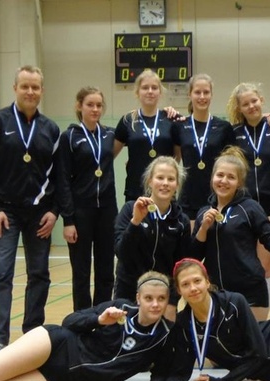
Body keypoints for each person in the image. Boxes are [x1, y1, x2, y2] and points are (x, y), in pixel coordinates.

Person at [0, 272, 183, 381]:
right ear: (138, 298)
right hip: (56, 345)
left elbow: (162, 370)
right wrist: (99, 320)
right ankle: (8, 364)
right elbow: (69, 321)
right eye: (149, 298)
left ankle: (12, 369)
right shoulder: (119, 307)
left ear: (167, 302)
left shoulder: (165, 334)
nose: (155, 304)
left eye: (161, 299)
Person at [0, 65, 64, 359]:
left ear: (42, 91)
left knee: (39, 274)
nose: (30, 92)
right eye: (25, 86)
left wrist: (54, 211)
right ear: (15, 88)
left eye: (35, 87)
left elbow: (58, 176)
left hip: (39, 215)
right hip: (4, 213)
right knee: (0, 274)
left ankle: (32, 334)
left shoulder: (51, 129)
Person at [191, 147, 270, 321]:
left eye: (231, 177)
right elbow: (194, 257)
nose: (224, 181)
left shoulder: (250, 208)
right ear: (212, 178)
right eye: (220, 175)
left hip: (250, 293)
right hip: (215, 294)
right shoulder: (204, 212)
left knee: (253, 338)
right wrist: (203, 228)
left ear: (239, 183)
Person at [227, 82, 270, 305]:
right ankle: (243, 315)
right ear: (239, 108)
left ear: (261, 100)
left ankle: (261, 318)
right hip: (242, 207)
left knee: (265, 267)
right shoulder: (233, 133)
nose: (251, 106)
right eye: (245, 104)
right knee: (242, 267)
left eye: (254, 101)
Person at [58, 86, 118, 311]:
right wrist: (68, 220)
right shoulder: (69, 137)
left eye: (99, 105)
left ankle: (103, 318)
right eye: (90, 104)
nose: (95, 109)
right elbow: (62, 179)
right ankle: (82, 320)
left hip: (107, 212)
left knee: (106, 270)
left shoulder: (110, 134)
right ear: (79, 106)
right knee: (81, 272)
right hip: (81, 212)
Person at [114, 156, 191, 320]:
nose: (165, 183)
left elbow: (180, 266)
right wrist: (135, 222)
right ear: (150, 181)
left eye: (171, 179)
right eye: (160, 178)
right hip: (129, 291)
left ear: (177, 185)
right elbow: (122, 253)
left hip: (161, 296)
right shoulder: (130, 209)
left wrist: (173, 301)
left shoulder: (181, 221)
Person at [172, 73, 236, 224]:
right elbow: (174, 161)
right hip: (188, 198)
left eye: (206, 92)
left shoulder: (224, 127)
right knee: (191, 238)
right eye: (197, 92)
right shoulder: (179, 126)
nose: (202, 97)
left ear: (211, 95)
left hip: (217, 196)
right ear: (190, 94)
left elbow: (233, 164)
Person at [114, 70, 180, 202]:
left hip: (164, 192)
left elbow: (177, 158)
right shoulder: (128, 120)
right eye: (145, 88)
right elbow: (109, 155)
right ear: (137, 92)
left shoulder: (171, 119)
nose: (150, 91)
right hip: (135, 191)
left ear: (160, 92)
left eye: (154, 88)